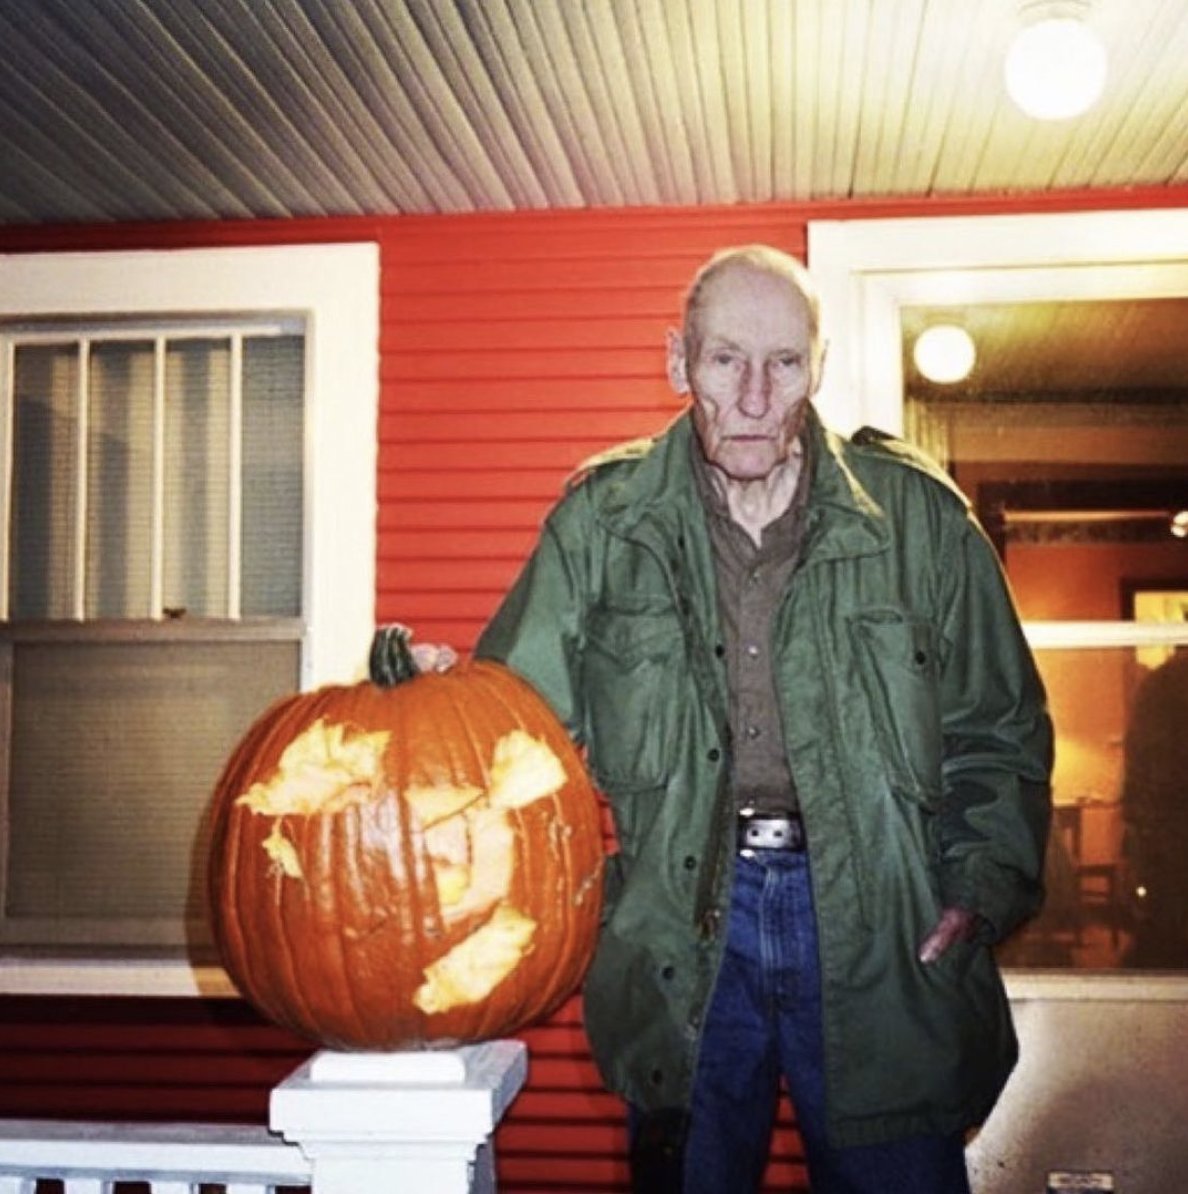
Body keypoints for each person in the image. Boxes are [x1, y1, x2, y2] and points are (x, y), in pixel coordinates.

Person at [472, 245, 1053, 1193]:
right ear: (678, 363)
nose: (752, 395)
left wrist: (978, 883)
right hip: (683, 927)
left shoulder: (920, 524)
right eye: (723, 360)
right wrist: (426, 696)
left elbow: (1000, 727)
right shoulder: (603, 527)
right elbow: (508, 731)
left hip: (881, 921)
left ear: (817, 367)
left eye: (782, 363)